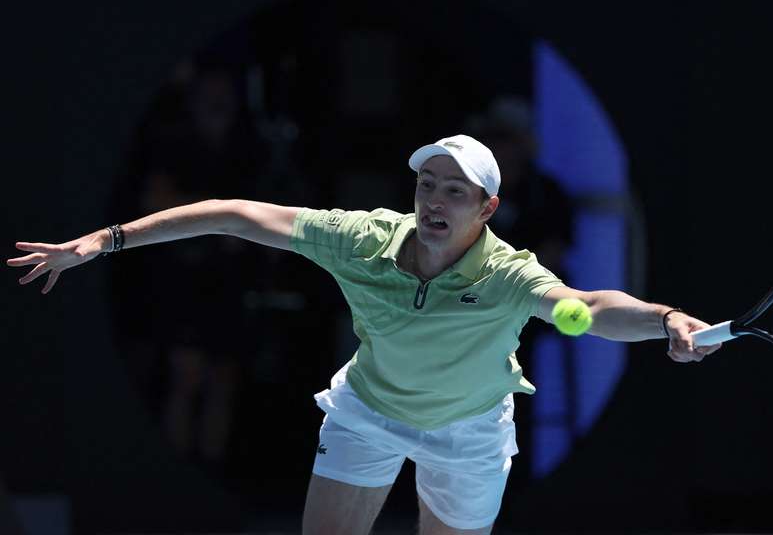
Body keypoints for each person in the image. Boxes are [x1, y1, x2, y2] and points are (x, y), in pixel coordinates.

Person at [7, 134, 720, 535]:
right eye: (427, 185)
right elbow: (236, 215)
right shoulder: (359, 239)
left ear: (487, 207)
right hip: (371, 413)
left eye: (455, 191)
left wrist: (663, 320)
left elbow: (589, 306)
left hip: (469, 432)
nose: (435, 200)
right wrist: (105, 241)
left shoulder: (510, 276)